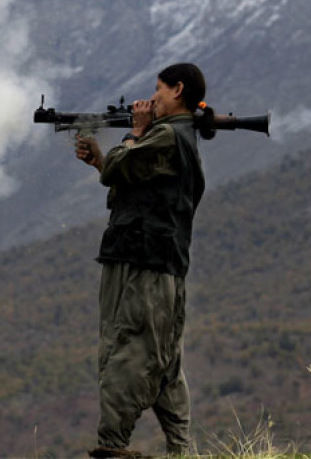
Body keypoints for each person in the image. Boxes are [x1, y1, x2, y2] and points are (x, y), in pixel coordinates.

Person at [75, 63, 211, 457]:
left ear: (177, 90)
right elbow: (129, 180)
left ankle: (112, 447)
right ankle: (180, 450)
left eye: (158, 89)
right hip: (159, 263)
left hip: (141, 264)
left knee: (126, 353)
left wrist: (135, 131)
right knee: (163, 361)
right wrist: (100, 161)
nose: (151, 98)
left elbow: (123, 165)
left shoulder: (165, 135)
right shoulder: (174, 136)